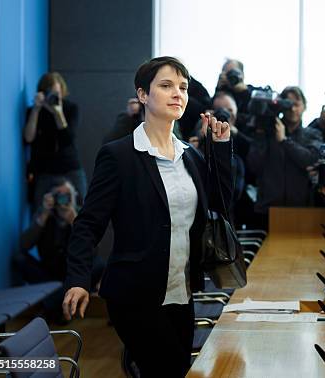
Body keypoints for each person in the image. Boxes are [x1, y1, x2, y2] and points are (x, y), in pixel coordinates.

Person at [62, 56, 233, 377]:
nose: (177, 94)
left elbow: (221, 207)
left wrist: (221, 150)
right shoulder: (119, 155)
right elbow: (88, 223)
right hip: (134, 295)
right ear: (142, 94)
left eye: (182, 87)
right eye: (166, 86)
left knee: (178, 370)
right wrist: (78, 280)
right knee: (167, 370)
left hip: (181, 293)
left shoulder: (190, 155)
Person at [15, 177, 105, 322]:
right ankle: (60, 304)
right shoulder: (44, 215)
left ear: (74, 196)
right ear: (51, 198)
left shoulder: (81, 215)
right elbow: (23, 245)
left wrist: (73, 221)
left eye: (67, 195)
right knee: (19, 259)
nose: (63, 200)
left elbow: (93, 251)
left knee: (99, 264)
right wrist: (43, 216)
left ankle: (52, 306)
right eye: (59, 196)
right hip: (49, 273)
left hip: (71, 274)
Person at [246, 86, 323, 228]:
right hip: (267, 210)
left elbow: (310, 161)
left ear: (304, 106)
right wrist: (261, 133)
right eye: (288, 104)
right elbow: (254, 165)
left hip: (301, 210)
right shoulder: (267, 134)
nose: (292, 109)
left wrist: (284, 140)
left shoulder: (312, 134)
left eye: (297, 104)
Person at [24, 72, 87, 209]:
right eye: (50, 93)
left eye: (56, 93)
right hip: (44, 170)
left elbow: (67, 140)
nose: (53, 97)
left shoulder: (70, 108)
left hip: (70, 167)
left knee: (81, 212)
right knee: (41, 212)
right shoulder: (35, 111)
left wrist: (58, 113)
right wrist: (36, 110)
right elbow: (28, 138)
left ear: (62, 92)